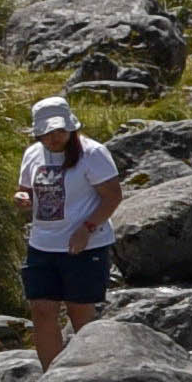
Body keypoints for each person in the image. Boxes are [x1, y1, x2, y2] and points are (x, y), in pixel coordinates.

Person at [16, 96, 123, 361]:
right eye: (47, 132)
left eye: (60, 131)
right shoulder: (32, 154)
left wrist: (87, 228)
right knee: (41, 310)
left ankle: (89, 374)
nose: (54, 138)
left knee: (80, 312)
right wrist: (22, 199)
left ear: (71, 127)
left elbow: (112, 196)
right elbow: (26, 191)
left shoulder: (92, 153)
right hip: (42, 245)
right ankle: (50, 379)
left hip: (85, 246)